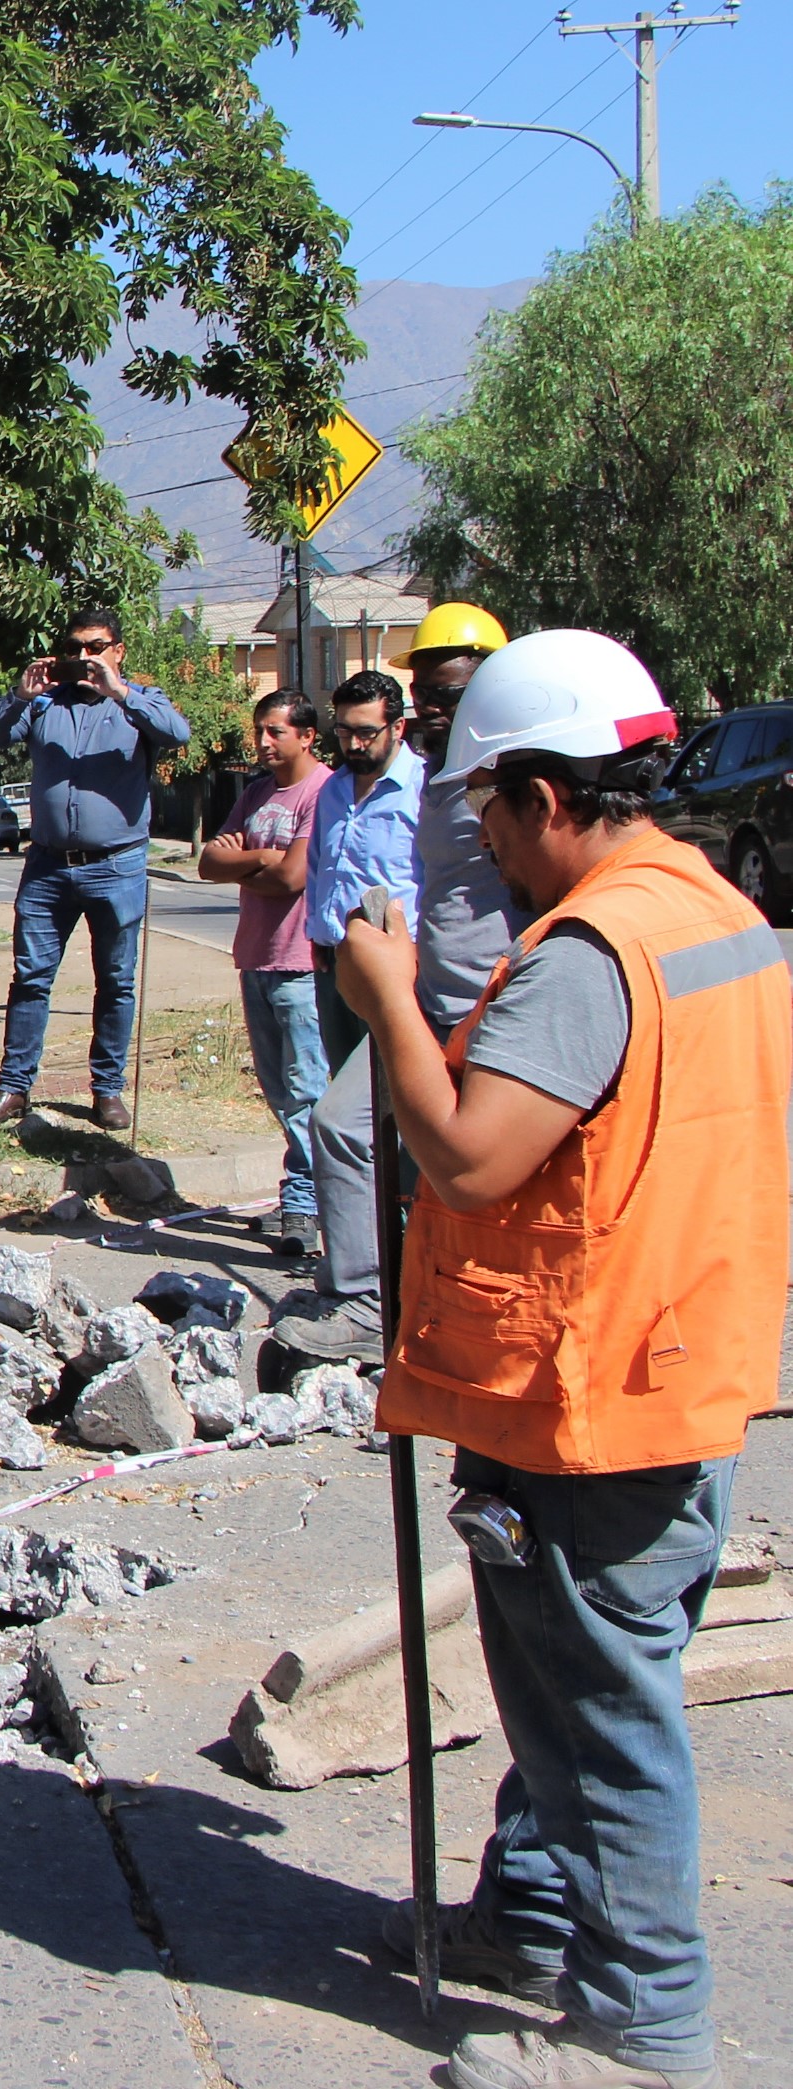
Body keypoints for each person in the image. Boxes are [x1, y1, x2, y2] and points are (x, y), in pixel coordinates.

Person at [336, 628, 786, 2089]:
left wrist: (387, 999)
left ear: (543, 794)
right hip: (684, 1355)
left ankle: (644, 2030)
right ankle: (526, 1923)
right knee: (566, 1683)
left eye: (485, 808)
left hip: (583, 1395)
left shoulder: (589, 955)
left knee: (597, 1723)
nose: (482, 837)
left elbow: (468, 1159)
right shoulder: (713, 908)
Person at [276, 605, 523, 1364]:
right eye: (430, 690)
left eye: (453, 689)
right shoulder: (441, 775)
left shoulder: (513, 772)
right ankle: (363, 1300)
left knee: (480, 1169)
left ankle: (475, 1308)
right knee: (343, 1125)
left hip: (500, 1005)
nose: (438, 706)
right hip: (420, 997)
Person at [0, 606, 191, 1130]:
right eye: (74, 649)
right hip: (47, 866)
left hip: (116, 867)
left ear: (118, 651)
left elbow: (177, 733)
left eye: (95, 647)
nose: (83, 658)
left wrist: (120, 692)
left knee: (115, 980)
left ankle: (107, 1090)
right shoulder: (44, 704)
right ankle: (13, 1088)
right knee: (30, 977)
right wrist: (18, 696)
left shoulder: (140, 702)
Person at [198, 689, 330, 1256]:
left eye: (276, 731)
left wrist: (248, 864)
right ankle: (308, 1193)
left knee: (308, 1091)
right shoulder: (255, 794)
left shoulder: (322, 791)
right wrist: (260, 860)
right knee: (278, 1090)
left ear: (307, 736)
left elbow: (294, 878)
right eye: (259, 731)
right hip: (256, 953)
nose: (263, 742)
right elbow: (208, 863)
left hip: (301, 960)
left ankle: (306, 1202)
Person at [301, 667, 424, 1071]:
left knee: (390, 1083)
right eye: (343, 731)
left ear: (398, 727)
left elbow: (432, 880)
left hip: (395, 964)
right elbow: (320, 865)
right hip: (336, 959)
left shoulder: (423, 790)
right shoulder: (334, 788)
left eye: (366, 732)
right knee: (343, 1077)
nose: (353, 744)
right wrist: (319, 932)